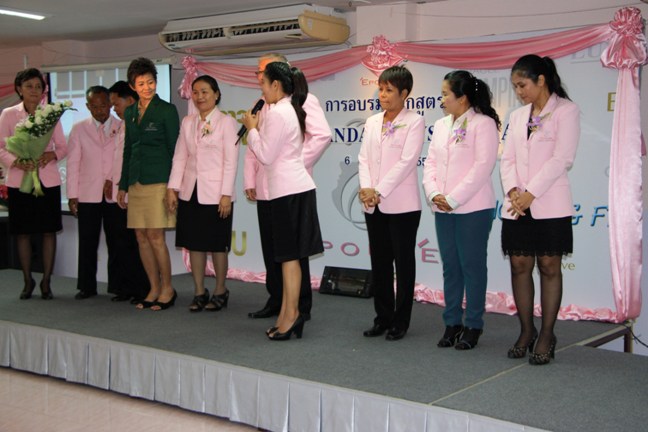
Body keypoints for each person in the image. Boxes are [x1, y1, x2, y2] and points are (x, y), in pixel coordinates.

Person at [500, 54, 580, 365]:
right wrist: (513, 191)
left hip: (549, 203)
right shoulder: (518, 116)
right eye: (515, 86)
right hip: (518, 204)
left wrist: (531, 193)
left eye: (522, 85)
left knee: (548, 267)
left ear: (541, 80)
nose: (519, 92)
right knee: (519, 266)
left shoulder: (566, 111)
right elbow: (507, 158)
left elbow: (562, 159)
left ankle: (547, 334)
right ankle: (526, 330)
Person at [244, 53, 331, 321]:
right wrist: (250, 179)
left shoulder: (301, 100)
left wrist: (295, 162)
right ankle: (277, 300)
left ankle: (298, 306)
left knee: (293, 251)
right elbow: (253, 148)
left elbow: (322, 135)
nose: (260, 77)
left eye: (264, 72)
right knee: (273, 248)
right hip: (267, 184)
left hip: (288, 183)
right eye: (258, 72)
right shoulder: (262, 103)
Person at [422, 71, 501, 350]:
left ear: (463, 98)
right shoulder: (441, 124)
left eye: (446, 94)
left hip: (473, 208)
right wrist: (434, 194)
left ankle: (473, 324)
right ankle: (452, 322)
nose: (442, 99)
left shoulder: (483, 124)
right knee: (451, 267)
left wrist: (453, 198)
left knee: (472, 266)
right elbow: (431, 163)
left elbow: (482, 167)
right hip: (443, 208)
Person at [358, 65, 425, 341]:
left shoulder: (415, 121)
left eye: (389, 90)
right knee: (380, 262)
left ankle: (401, 320)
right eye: (381, 89)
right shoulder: (372, 121)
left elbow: (407, 162)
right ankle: (382, 317)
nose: (383, 95)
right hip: (373, 203)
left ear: (404, 93)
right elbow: (364, 157)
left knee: (403, 264)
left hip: (402, 205)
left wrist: (379, 190)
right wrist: (366, 189)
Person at [167, 75, 239, 312]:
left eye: (205, 92)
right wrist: (172, 188)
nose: (200, 97)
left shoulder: (226, 122)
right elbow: (180, 157)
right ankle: (199, 291)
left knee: (218, 245)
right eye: (196, 92)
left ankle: (220, 290)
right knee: (194, 244)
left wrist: (226, 194)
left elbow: (230, 161)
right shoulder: (187, 122)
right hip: (190, 191)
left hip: (217, 194)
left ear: (216, 94)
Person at [117, 57, 180, 311]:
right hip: (136, 181)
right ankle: (153, 288)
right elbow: (128, 150)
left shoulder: (166, 110)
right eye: (141, 84)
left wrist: (173, 186)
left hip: (159, 180)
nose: (147, 87)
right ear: (133, 86)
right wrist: (123, 185)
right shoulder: (130, 112)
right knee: (141, 237)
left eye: (151, 82)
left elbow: (175, 150)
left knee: (155, 236)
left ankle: (168, 288)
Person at [0, 68, 67, 300]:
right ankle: (27, 279)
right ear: (19, 89)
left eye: (38, 87)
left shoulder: (50, 114)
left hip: (47, 180)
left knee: (49, 231)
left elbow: (63, 146)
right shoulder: (9, 114)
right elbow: (1, 147)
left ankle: (46, 281)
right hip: (20, 182)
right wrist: (17, 161)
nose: (34, 91)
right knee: (23, 233)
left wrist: (51, 155)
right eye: (29, 86)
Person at [67, 86, 121, 300]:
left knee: (116, 241)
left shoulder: (121, 126)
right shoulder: (79, 129)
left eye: (103, 106)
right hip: (87, 193)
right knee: (87, 241)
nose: (100, 111)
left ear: (110, 105)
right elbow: (73, 163)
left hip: (113, 193)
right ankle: (86, 286)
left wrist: (112, 179)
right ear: (88, 106)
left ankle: (117, 286)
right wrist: (72, 195)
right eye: (95, 107)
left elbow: (121, 159)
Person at [106, 81, 150, 303]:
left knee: (136, 242)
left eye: (116, 104)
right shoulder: (122, 124)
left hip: (135, 192)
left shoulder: (141, 124)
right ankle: (125, 287)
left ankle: (142, 288)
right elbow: (116, 158)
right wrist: (110, 180)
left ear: (130, 100)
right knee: (121, 242)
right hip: (119, 191)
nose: (114, 109)